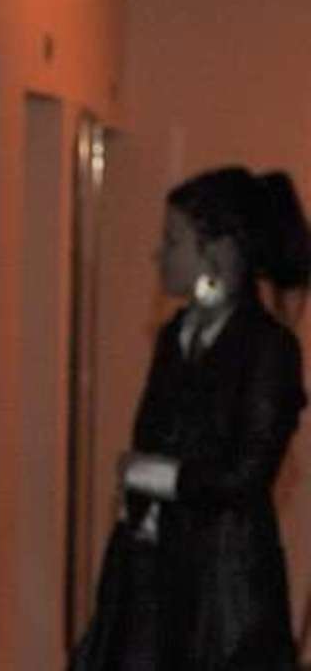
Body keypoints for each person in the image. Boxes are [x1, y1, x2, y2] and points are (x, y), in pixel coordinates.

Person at [72, 167, 311, 671]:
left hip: (224, 599)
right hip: (150, 582)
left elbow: (247, 474)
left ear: (217, 252)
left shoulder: (268, 348)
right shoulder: (174, 336)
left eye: (173, 240)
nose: (159, 254)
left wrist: (152, 475)